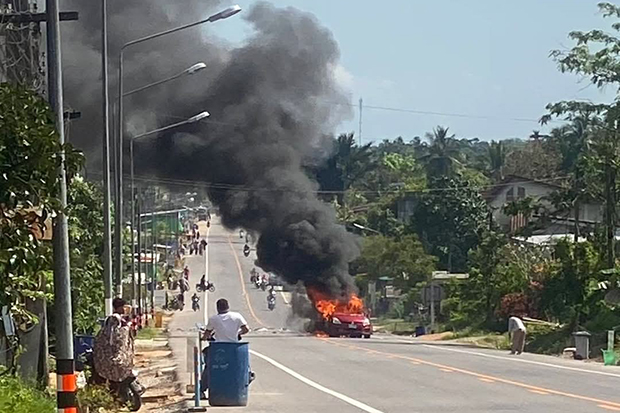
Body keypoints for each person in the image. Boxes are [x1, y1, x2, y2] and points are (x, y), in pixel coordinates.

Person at [200, 299, 250, 395]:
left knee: (209, 367)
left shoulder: (213, 319)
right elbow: (246, 329)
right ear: (228, 306)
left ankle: (201, 390)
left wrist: (203, 338)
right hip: (234, 349)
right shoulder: (237, 316)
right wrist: (238, 334)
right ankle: (247, 379)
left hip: (218, 349)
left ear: (217, 308)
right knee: (242, 367)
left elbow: (207, 334)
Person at [93, 298, 134, 382]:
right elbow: (115, 336)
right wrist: (127, 327)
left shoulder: (119, 319)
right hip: (112, 354)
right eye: (123, 307)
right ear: (118, 307)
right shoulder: (114, 319)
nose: (124, 309)